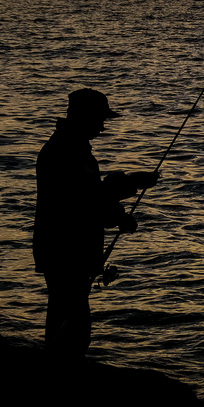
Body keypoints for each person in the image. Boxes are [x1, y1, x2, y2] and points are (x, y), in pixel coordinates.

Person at [33, 88, 158, 358]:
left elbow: (90, 201)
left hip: (72, 250)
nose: (102, 127)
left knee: (72, 318)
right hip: (64, 251)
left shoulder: (74, 150)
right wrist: (132, 183)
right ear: (83, 117)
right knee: (69, 321)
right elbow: (82, 199)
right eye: (99, 120)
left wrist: (118, 217)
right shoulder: (63, 152)